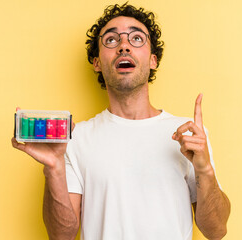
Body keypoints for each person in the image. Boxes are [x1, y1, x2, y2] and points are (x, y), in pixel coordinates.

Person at [12, 3, 230, 240]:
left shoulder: (189, 135)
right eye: (112, 40)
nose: (124, 45)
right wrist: (53, 169)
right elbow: (61, 236)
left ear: (153, 60)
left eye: (136, 38)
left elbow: (216, 230)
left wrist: (205, 169)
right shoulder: (75, 138)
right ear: (97, 63)